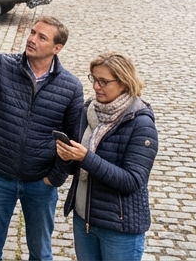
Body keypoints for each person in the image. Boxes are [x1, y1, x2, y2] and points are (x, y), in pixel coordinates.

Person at [0, 17, 84, 261]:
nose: (32, 39)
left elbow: (73, 140)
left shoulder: (70, 87)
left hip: (40, 183)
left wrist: (55, 177)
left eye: (42, 37)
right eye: (32, 32)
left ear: (57, 48)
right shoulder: (2, 65)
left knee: (41, 254)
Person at [55, 53, 158, 261]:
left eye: (103, 81)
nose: (96, 86)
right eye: (94, 79)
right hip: (85, 219)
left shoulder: (141, 124)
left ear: (124, 83)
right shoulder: (89, 111)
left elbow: (132, 181)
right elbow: (78, 169)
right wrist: (67, 157)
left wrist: (86, 158)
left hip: (119, 229)